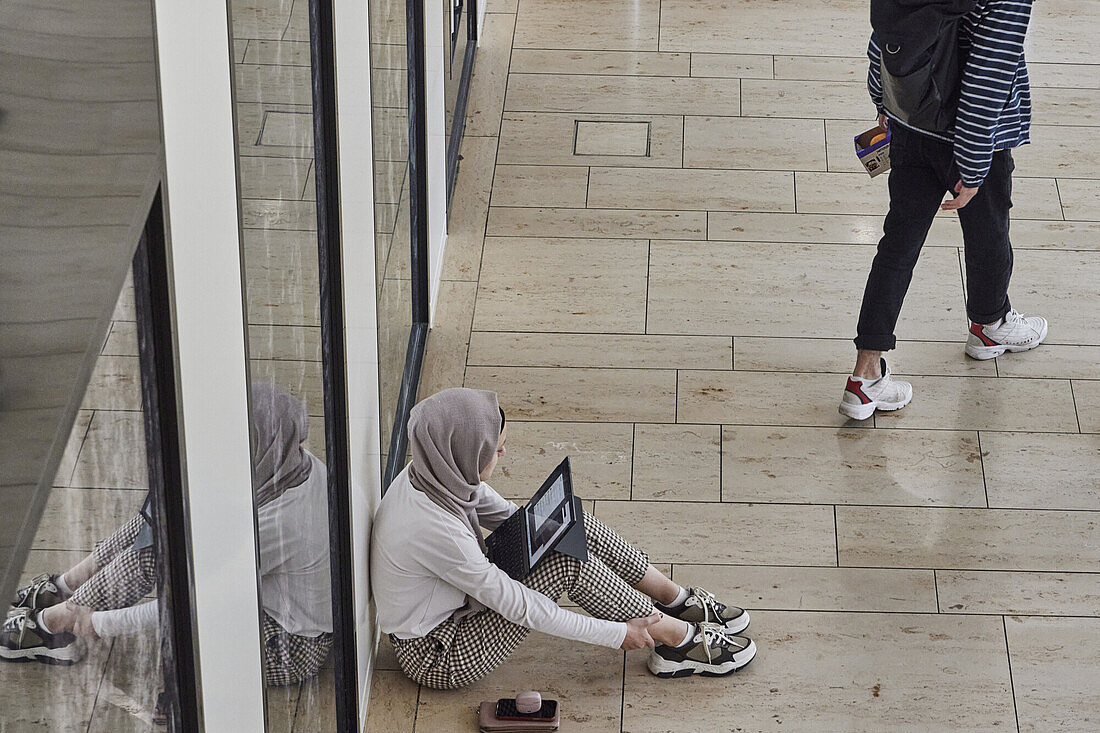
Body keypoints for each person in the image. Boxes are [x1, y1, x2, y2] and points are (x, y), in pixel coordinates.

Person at [371, 388, 756, 690]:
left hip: (459, 609)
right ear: (465, 450)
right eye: (496, 447)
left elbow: (508, 515)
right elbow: (523, 607)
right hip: (440, 654)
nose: (504, 453)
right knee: (566, 562)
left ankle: (675, 600)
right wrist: (617, 634)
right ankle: (676, 639)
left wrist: (557, 523)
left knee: (570, 522)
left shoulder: (434, 473)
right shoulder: (436, 531)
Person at [2, 383, 334, 688]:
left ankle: (59, 626)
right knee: (169, 516)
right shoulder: (291, 466)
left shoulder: (276, 527)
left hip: (289, 646)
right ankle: (67, 589)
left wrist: (99, 624)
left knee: (177, 617)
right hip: (269, 600)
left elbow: (193, 603)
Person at [840, 0, 1048, 421]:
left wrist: (885, 99)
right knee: (988, 229)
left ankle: (864, 378)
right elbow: (988, 77)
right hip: (965, 139)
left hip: (910, 122)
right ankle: (990, 326)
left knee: (897, 246)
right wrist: (972, 166)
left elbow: (886, 33)